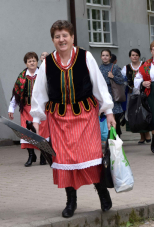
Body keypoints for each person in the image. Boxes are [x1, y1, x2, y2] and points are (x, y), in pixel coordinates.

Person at [30, 20, 115, 218]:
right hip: (58, 120)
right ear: (53, 40)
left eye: (65, 35)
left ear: (72, 37)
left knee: (91, 156)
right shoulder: (47, 63)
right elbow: (39, 93)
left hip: (85, 117)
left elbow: (99, 85)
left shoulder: (85, 56)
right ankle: (71, 201)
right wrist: (36, 119)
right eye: (57, 36)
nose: (62, 40)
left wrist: (109, 111)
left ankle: (102, 193)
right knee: (63, 159)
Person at [8, 52, 48, 166]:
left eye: (34, 60)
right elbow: (16, 94)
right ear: (26, 63)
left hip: (41, 108)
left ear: (37, 62)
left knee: (42, 132)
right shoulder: (22, 76)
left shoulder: (42, 74)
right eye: (29, 61)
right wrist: (11, 108)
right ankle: (31, 155)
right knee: (27, 132)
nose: (32, 63)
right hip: (26, 108)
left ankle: (43, 156)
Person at [121, 49, 151, 144]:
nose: (134, 57)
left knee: (145, 112)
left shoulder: (145, 65)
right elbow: (122, 80)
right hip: (132, 94)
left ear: (139, 56)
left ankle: (147, 133)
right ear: (130, 57)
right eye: (133, 55)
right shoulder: (126, 68)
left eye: (136, 55)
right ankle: (141, 135)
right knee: (136, 114)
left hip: (145, 93)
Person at [99, 49, 125, 137]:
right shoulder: (99, 68)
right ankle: (108, 138)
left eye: (107, 55)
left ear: (110, 57)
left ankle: (114, 138)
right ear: (101, 57)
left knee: (113, 117)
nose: (105, 57)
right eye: (103, 55)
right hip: (102, 94)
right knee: (105, 117)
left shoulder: (115, 67)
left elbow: (122, 80)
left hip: (112, 94)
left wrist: (113, 77)